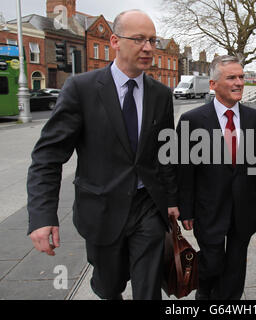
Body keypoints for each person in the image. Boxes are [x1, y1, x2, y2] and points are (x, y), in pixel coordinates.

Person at [27, 9, 179, 300]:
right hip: (101, 211)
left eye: (152, 40)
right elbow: (47, 156)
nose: (148, 48)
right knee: (109, 288)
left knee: (149, 290)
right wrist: (42, 215)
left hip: (148, 208)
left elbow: (165, 152)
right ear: (114, 41)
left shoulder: (160, 94)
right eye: (138, 39)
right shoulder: (80, 89)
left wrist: (172, 199)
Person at [177, 55, 256, 300]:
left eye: (241, 77)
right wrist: (185, 210)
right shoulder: (192, 120)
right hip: (208, 210)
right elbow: (184, 171)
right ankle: (204, 294)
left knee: (235, 267)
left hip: (245, 209)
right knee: (211, 263)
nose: (239, 82)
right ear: (213, 84)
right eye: (231, 77)